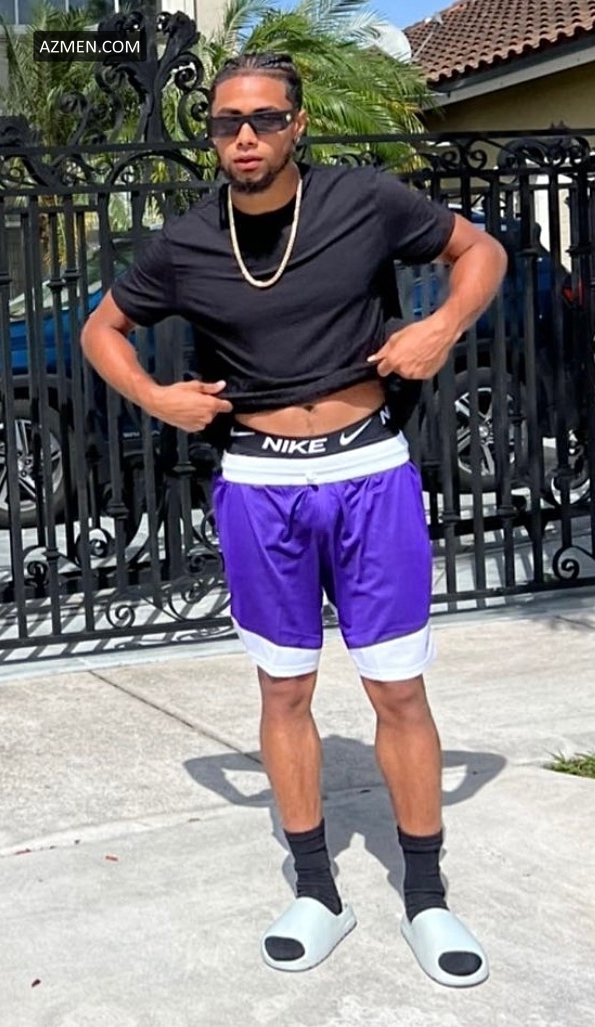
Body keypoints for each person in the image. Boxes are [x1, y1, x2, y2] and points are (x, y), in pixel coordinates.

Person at [81, 52, 507, 987]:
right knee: (284, 690)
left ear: (297, 125)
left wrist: (440, 328)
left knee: (397, 690)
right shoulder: (188, 240)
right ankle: (318, 890)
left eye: (265, 118)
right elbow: (100, 329)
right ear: (212, 136)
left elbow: (482, 251)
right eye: (227, 122)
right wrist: (157, 398)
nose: (245, 136)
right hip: (257, 481)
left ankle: (427, 897)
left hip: (368, 471)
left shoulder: (363, 201)